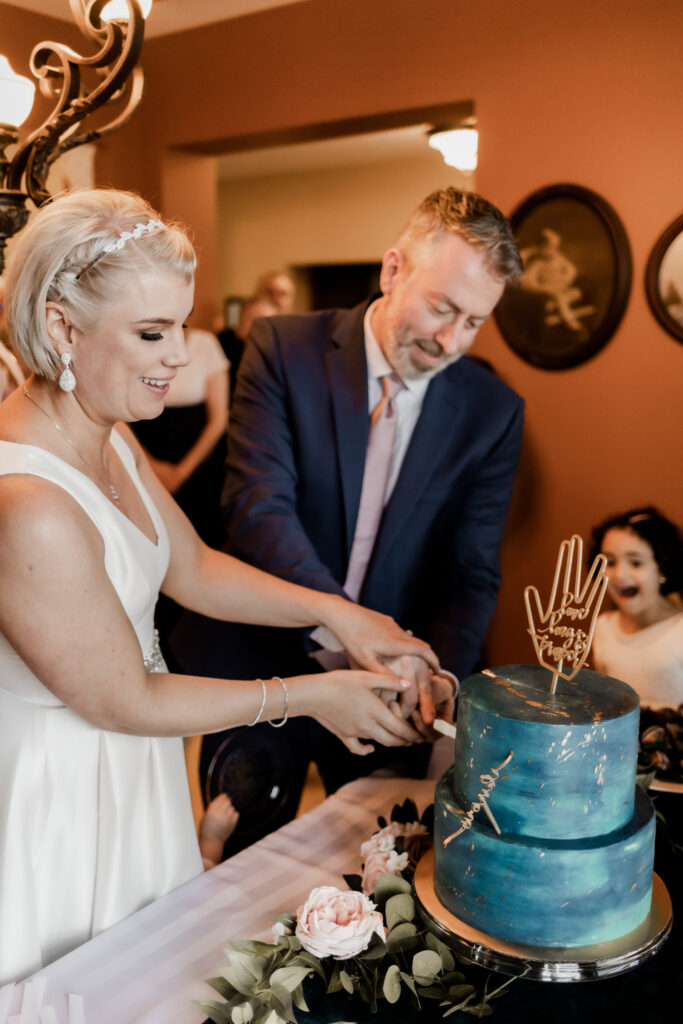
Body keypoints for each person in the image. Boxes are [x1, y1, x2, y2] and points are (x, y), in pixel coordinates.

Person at [0, 187, 443, 985]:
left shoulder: (108, 436)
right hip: (59, 801)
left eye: (181, 323)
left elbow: (193, 566)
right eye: (151, 331)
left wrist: (339, 614)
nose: (180, 353)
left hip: (131, 769)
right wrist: (310, 696)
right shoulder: (28, 502)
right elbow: (124, 697)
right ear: (63, 328)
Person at [169, 187, 525, 845]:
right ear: (393, 270)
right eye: (441, 307)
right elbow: (257, 511)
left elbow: (470, 571)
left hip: (395, 692)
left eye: (474, 322)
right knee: (243, 858)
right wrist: (349, 628)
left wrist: (435, 673)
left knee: (379, 882)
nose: (452, 340)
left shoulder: (492, 410)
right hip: (260, 663)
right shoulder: (282, 348)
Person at [589, 506, 683, 709]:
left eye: (636, 563)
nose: (620, 575)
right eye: (610, 562)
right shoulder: (603, 628)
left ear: (663, 567)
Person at [218, 295, 277, 395]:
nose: (259, 326)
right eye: (253, 319)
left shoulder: (280, 355)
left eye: (266, 320)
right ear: (240, 323)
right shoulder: (223, 344)